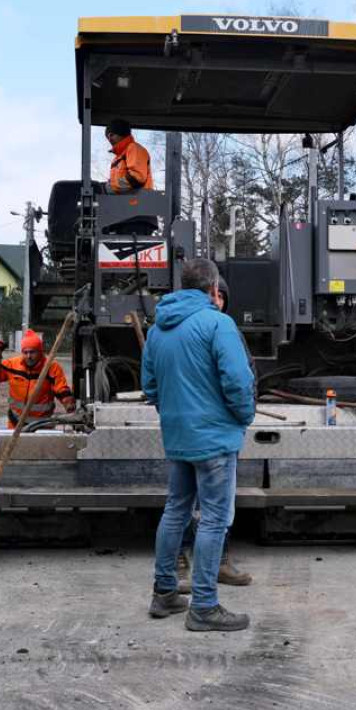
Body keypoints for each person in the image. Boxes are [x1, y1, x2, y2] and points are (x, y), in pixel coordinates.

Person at [142, 259, 255, 631]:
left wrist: (174, 414)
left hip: (178, 436)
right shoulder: (218, 324)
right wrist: (243, 416)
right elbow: (238, 381)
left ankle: (165, 593)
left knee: (175, 510)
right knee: (214, 519)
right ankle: (204, 606)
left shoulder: (158, 328)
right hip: (214, 438)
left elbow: (150, 387)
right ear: (212, 289)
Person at [177, 276, 253, 591]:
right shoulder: (191, 331)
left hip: (212, 432)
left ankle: (219, 563)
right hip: (204, 431)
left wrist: (243, 414)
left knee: (218, 506)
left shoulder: (229, 331)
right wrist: (244, 414)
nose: (217, 299)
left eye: (222, 295)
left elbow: (245, 375)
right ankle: (187, 572)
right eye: (212, 293)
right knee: (188, 505)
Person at [0, 330, 74, 428]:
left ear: (40, 351)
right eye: (25, 352)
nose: (28, 356)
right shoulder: (12, 365)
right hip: (15, 425)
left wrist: (70, 407)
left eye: (32, 352)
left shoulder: (52, 368)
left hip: (42, 427)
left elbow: (62, 391)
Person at [105, 119, 153, 193]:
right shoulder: (117, 158)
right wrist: (104, 186)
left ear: (121, 133)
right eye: (107, 137)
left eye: (112, 135)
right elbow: (116, 182)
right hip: (125, 201)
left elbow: (136, 178)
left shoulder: (134, 148)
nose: (109, 139)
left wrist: (110, 187)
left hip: (140, 201)